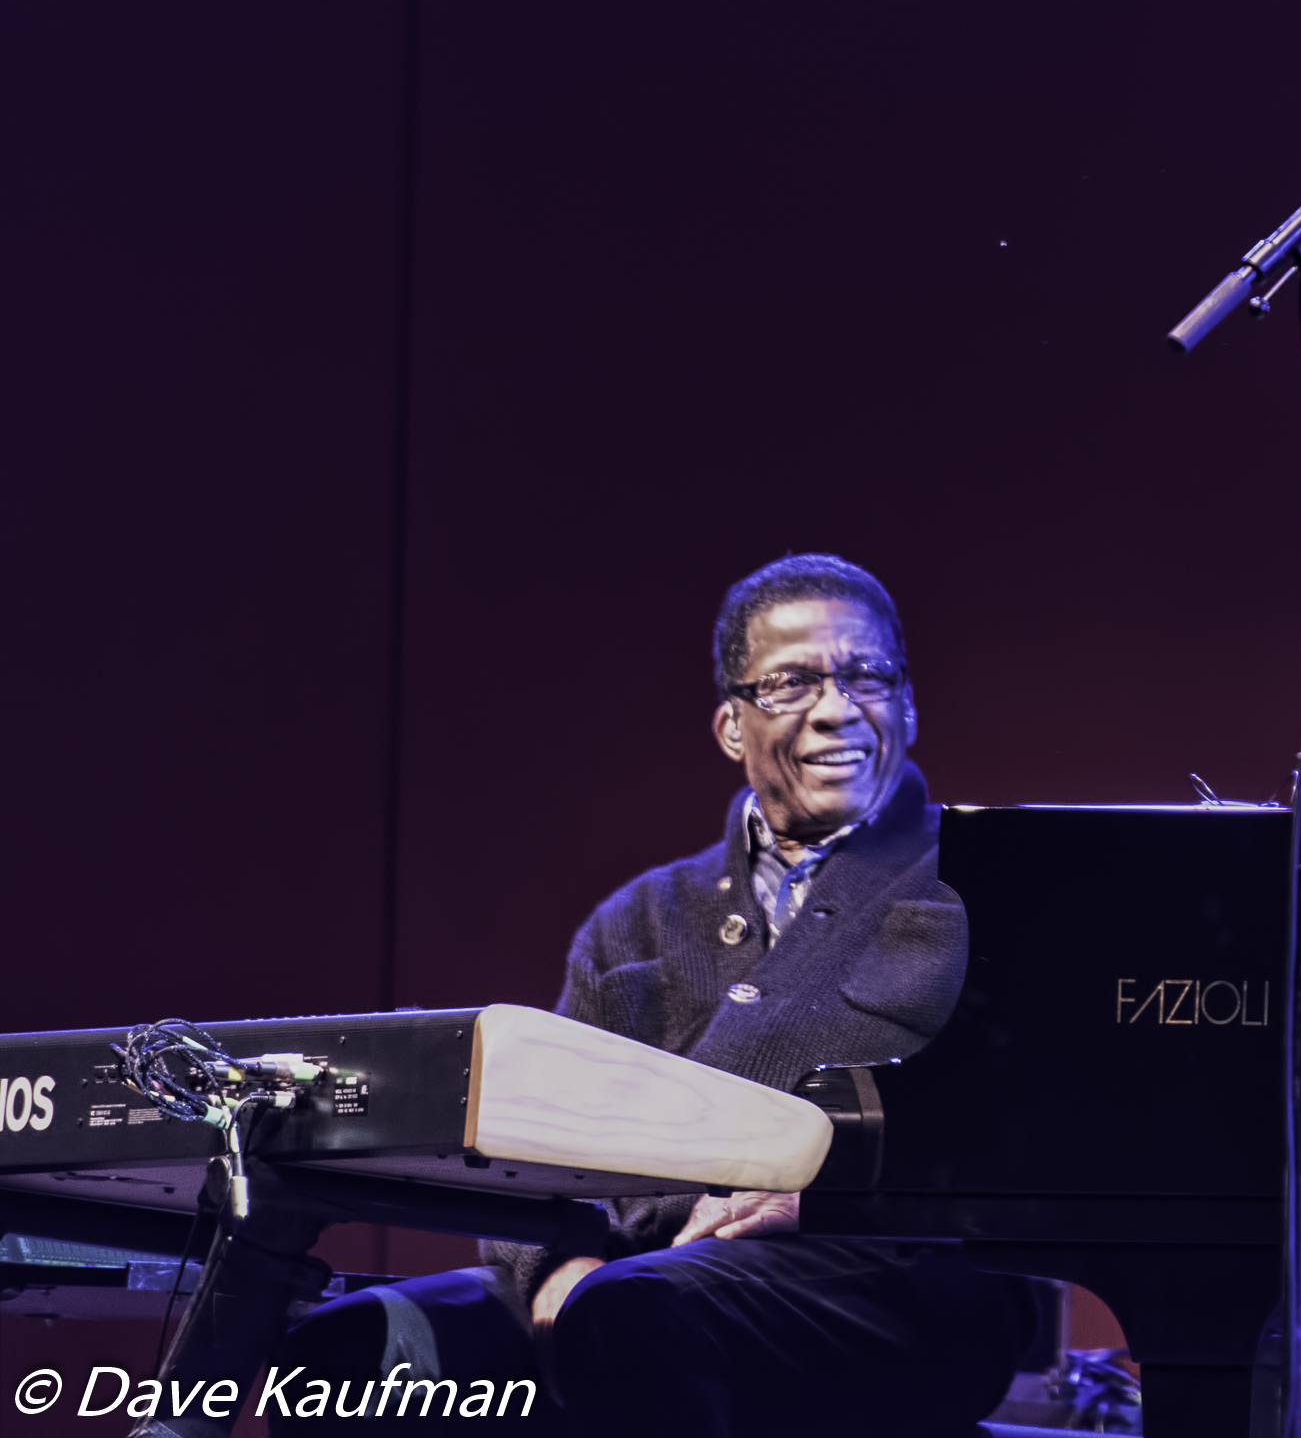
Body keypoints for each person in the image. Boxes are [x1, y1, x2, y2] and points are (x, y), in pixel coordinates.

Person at [272, 553, 1038, 1435]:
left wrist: (836, 1187)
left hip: (893, 1274)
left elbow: (1042, 1122)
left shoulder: (989, 886)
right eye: (792, 683)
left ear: (906, 703)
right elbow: (531, 1148)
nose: (837, 708)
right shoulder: (641, 917)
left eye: (868, 675)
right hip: (635, 1279)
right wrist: (550, 1268)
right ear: (730, 726)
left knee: (633, 1317)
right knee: (340, 1353)